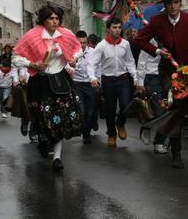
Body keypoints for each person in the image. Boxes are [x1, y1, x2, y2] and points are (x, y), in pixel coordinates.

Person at [135, 0, 188, 168]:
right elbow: (139, 40)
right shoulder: (157, 21)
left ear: (180, 3)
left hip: (187, 70)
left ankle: (152, 126)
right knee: (174, 106)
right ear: (166, 5)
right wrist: (157, 51)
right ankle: (177, 152)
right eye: (170, 3)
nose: (173, 7)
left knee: (181, 110)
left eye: (176, 2)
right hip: (167, 70)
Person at [12, 5, 83, 172]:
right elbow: (16, 56)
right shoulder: (32, 36)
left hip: (60, 80)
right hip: (41, 81)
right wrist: (32, 64)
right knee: (43, 118)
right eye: (51, 18)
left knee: (61, 118)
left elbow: (78, 48)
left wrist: (74, 59)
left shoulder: (66, 34)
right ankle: (43, 138)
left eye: (57, 18)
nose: (55, 21)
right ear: (43, 20)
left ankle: (57, 158)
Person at [87, 17, 138, 147]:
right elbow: (92, 63)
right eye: (114, 28)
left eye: (119, 27)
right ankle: (111, 133)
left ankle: (120, 123)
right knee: (109, 110)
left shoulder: (125, 44)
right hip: (108, 80)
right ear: (109, 29)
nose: (117, 30)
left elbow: (130, 62)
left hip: (123, 79)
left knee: (126, 105)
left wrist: (135, 77)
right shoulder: (102, 46)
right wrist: (93, 77)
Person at [136, 38, 167, 153]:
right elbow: (141, 62)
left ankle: (150, 129)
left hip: (167, 77)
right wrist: (140, 82)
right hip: (151, 78)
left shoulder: (169, 39)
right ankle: (157, 140)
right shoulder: (149, 42)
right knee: (160, 111)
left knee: (168, 111)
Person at [72, 30, 99, 144]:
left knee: (90, 111)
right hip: (77, 83)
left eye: (84, 43)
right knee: (82, 110)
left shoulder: (93, 52)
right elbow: (68, 66)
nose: (82, 45)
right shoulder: (72, 53)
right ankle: (86, 134)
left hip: (90, 84)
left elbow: (99, 66)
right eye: (79, 43)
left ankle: (89, 127)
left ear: (87, 42)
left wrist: (98, 80)